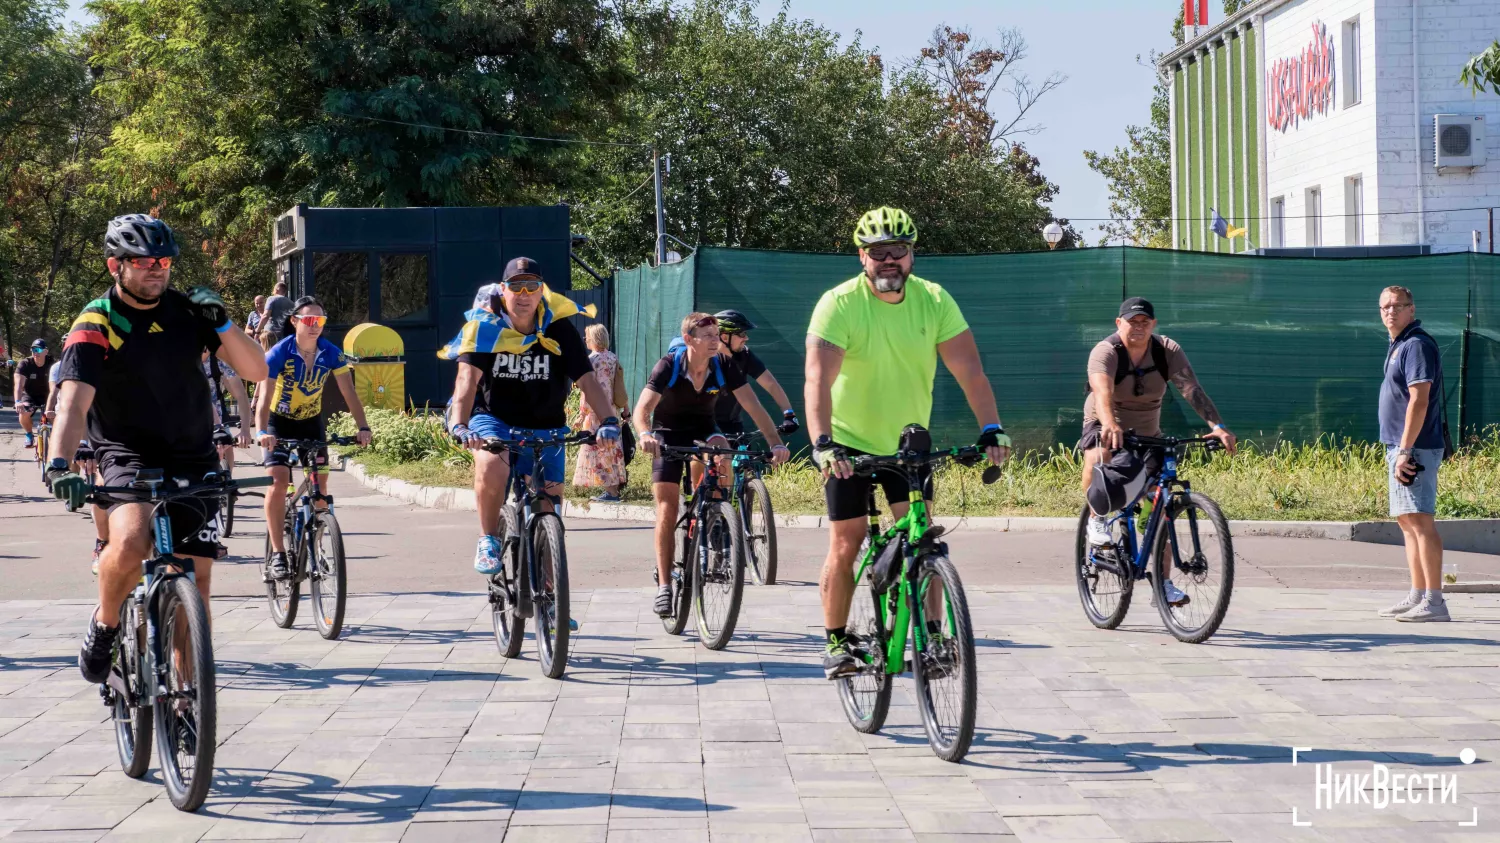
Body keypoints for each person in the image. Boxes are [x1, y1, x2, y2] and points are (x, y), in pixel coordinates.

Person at [45, 213, 268, 685]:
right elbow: (73, 403)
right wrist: (59, 461)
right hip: (126, 455)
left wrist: (224, 322)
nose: (157, 268)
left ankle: (186, 698)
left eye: (164, 260)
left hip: (194, 454)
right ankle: (105, 624)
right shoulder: (97, 321)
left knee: (198, 583)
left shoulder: (188, 312)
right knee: (128, 542)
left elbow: (255, 370)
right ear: (115, 266)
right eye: (144, 260)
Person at [805, 206, 1012, 679]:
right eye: (878, 252)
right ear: (862, 257)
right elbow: (817, 380)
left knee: (922, 537)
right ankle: (837, 641)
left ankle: (934, 636)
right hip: (848, 445)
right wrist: (822, 443)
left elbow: (971, 373)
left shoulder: (934, 300)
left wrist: (990, 428)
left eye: (897, 250)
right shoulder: (838, 304)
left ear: (911, 255)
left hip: (908, 445)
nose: (889, 260)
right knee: (847, 540)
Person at [445, 257, 620, 579]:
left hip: (546, 424)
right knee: (490, 461)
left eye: (532, 286)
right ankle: (488, 539)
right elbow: (466, 382)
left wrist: (609, 420)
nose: (523, 294)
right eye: (516, 286)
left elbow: (587, 380)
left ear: (542, 291)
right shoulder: (486, 327)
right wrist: (459, 424)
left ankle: (551, 602)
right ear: (503, 290)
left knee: (549, 516)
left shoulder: (559, 329)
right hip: (493, 417)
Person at [1078, 297, 1237, 607]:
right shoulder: (1106, 351)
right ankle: (1097, 518)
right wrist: (1110, 424)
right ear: (1118, 323)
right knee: (1099, 457)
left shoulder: (1167, 351)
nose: (1138, 326)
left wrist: (1217, 425)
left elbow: (1191, 390)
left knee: (1161, 503)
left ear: (1153, 324)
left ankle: (1161, 584)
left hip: (1148, 432)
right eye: (1132, 321)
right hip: (1105, 422)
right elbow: (1102, 392)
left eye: (1145, 322)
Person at [634, 312, 791, 617]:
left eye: (717, 335)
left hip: (706, 429)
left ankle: (717, 517)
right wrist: (644, 434)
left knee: (723, 451)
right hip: (667, 433)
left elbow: (753, 405)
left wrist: (775, 443)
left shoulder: (723, 364)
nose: (715, 341)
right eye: (708, 336)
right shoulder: (668, 366)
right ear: (689, 339)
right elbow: (643, 409)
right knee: (667, 508)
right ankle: (665, 586)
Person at [256, 297, 373, 579]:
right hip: (278, 424)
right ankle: (278, 554)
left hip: (311, 424)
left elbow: (349, 393)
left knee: (319, 488)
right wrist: (260, 432)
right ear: (295, 321)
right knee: (278, 480)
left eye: (319, 321)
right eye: (309, 320)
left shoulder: (330, 353)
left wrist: (363, 427)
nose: (314, 326)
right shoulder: (279, 353)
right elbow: (264, 395)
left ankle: (317, 546)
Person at [1376, 285, 1450, 623]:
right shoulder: (1399, 345)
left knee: (1421, 521)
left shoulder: (1417, 345)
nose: (1391, 311)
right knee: (1407, 522)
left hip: (1415, 448)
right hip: (1400, 448)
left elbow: (1419, 400)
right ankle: (1418, 594)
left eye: (1398, 305)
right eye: (1385, 307)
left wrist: (1405, 449)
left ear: (1411, 309)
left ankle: (1435, 602)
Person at [45, 362, 105, 571]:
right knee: (103, 480)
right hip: (83, 416)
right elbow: (69, 407)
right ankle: (102, 542)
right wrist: (74, 449)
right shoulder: (71, 363)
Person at [573, 324, 630, 502]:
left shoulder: (591, 360)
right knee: (609, 452)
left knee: (596, 451)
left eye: (587, 336)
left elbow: (587, 390)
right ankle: (613, 490)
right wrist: (625, 410)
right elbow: (619, 386)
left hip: (596, 412)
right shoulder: (613, 358)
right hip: (611, 411)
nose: (585, 340)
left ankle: (611, 493)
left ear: (594, 338)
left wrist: (581, 414)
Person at [13, 338, 54, 449]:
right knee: (24, 412)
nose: (36, 353)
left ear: (46, 351)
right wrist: (17, 401)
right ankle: (29, 434)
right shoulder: (25, 364)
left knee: (56, 417)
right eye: (33, 350)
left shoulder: (52, 364)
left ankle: (55, 440)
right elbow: (18, 385)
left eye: (39, 350)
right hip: (30, 395)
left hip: (49, 395)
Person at [258, 281, 294, 350]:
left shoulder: (271, 299)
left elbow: (265, 316)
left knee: (269, 354)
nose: (273, 292)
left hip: (271, 335)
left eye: (273, 290)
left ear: (277, 289)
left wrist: (258, 330)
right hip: (284, 335)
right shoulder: (292, 303)